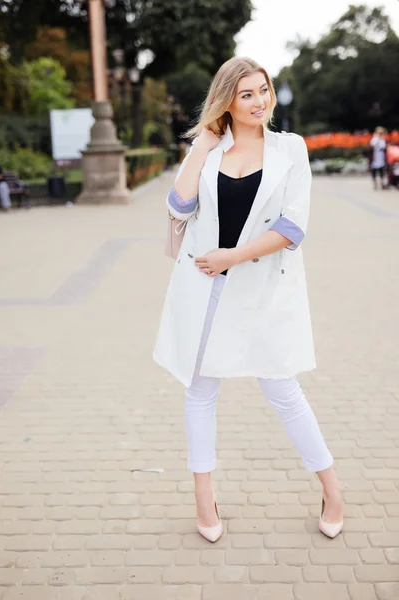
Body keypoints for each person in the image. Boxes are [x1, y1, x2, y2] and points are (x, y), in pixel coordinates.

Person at [153, 57, 343, 543]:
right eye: (246, 95)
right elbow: (178, 207)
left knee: (283, 390)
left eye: (263, 90)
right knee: (199, 392)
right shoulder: (213, 149)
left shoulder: (290, 149)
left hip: (259, 286)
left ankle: (332, 489)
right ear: (227, 103)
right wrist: (201, 148)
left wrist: (232, 257)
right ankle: (204, 498)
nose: (259, 102)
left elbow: (292, 226)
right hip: (204, 286)